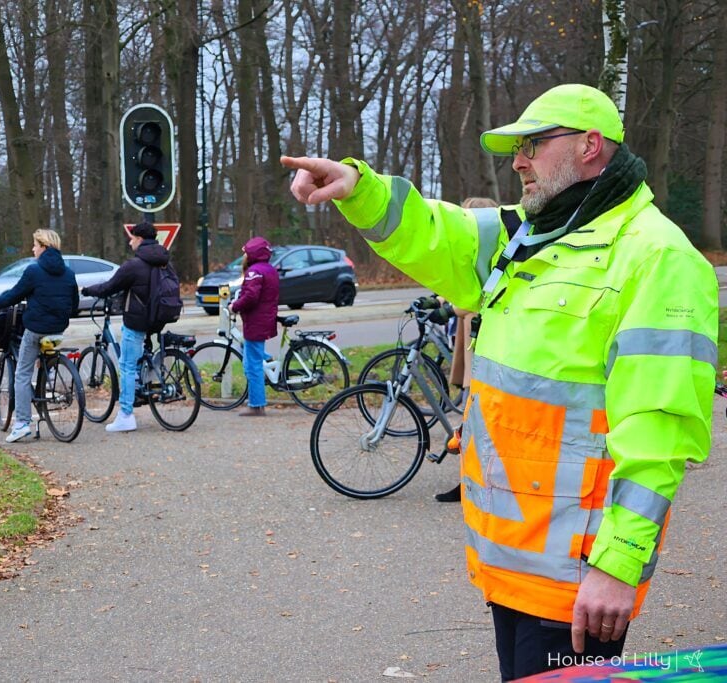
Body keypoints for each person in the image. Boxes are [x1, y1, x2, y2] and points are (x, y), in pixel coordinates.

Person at [281, 83, 717, 680]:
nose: (518, 161)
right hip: (512, 565)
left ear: (590, 146)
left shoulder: (657, 257)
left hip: (576, 577)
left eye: (533, 145)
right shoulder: (533, 234)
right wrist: (358, 188)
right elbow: (439, 232)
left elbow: (660, 434)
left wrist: (619, 565)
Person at [435, 196, 499, 504]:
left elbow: (476, 295)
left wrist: (451, 306)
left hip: (483, 342)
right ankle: (469, 480)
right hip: (472, 339)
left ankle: (472, 482)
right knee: (472, 417)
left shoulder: (492, 252)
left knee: (476, 420)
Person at [81, 221, 174, 433]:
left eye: (131, 238)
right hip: (159, 317)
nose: (130, 242)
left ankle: (126, 415)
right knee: (137, 358)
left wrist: (87, 291)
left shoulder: (133, 265)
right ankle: (143, 385)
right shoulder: (164, 262)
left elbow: (109, 287)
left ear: (139, 239)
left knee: (126, 366)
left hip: (137, 320)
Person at [0, 229, 78, 443]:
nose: (33, 249)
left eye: (35, 245)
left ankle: (21, 424)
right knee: (42, 355)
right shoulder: (69, 273)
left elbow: (14, 294)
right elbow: (74, 305)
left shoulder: (33, 271)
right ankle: (46, 379)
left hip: (36, 328)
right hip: (59, 328)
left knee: (21, 374)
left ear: (44, 247)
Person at [229, 236, 280, 416]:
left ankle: (257, 405)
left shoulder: (254, 272)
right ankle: (267, 359)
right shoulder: (269, 269)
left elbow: (251, 296)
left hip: (255, 322)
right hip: (265, 320)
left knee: (253, 365)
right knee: (250, 353)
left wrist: (234, 306)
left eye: (245, 253)